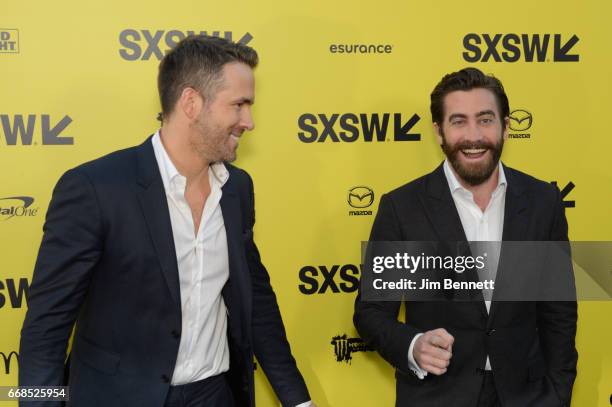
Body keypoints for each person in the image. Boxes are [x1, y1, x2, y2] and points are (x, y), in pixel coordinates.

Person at [20, 35, 314, 407]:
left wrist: (298, 401)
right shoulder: (95, 189)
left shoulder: (237, 189)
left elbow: (254, 300)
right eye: (239, 105)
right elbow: (45, 328)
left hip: (214, 396)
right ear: (191, 102)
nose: (249, 122)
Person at [354, 67, 577, 407]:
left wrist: (558, 395)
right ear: (439, 132)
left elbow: (558, 312)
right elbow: (370, 312)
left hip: (529, 396)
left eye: (485, 119)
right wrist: (413, 345)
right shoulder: (402, 208)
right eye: (458, 121)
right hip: (437, 396)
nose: (473, 136)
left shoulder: (542, 203)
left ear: (505, 125)